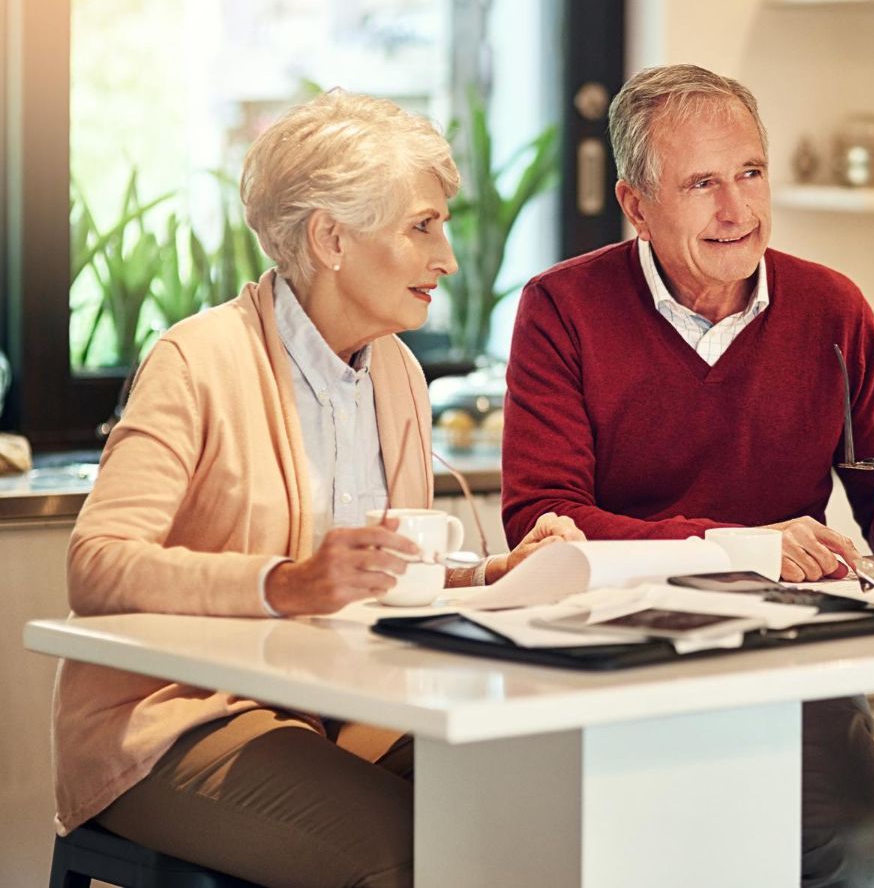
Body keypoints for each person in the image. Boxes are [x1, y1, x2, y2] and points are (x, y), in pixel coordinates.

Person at [55, 90, 581, 888]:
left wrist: (483, 575)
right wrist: (285, 584)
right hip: (173, 722)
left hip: (339, 715)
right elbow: (96, 564)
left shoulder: (397, 370)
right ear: (331, 237)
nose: (449, 260)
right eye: (421, 226)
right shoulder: (196, 359)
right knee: (415, 858)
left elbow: (379, 567)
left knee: (542, 812)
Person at [501, 63, 874, 887]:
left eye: (750, 172)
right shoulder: (561, 308)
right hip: (617, 657)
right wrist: (745, 546)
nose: (737, 210)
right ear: (635, 204)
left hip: (789, 654)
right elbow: (543, 524)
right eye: (702, 183)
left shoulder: (832, 307)